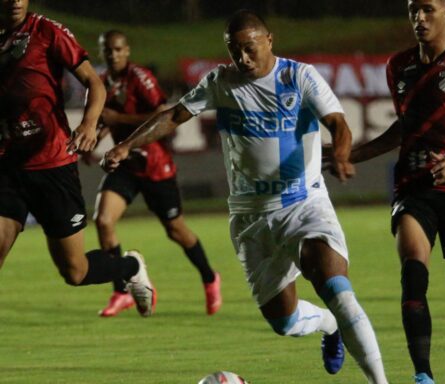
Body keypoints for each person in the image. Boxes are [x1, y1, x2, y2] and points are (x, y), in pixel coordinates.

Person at [103, 10, 389, 383]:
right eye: (234, 51)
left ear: (269, 40)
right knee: (284, 322)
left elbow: (337, 122)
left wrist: (341, 152)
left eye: (249, 48)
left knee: (337, 288)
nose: (243, 59)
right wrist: (126, 145)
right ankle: (328, 324)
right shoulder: (221, 82)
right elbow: (174, 116)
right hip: (251, 217)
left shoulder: (298, 76)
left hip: (303, 204)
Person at [346, 1, 445, 383]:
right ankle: (423, 376)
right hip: (415, 187)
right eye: (412, 10)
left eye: (428, 9)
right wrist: (355, 154)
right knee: (413, 275)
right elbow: (405, 128)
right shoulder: (398, 66)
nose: (419, 19)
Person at [0, 0, 155, 317]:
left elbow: (94, 82)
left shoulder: (47, 31)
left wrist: (87, 124)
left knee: (75, 271)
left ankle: (130, 265)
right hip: (7, 166)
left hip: (52, 164)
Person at [89, 30, 221, 317]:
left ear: (127, 50)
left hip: (155, 165)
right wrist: (95, 141)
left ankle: (210, 277)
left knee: (177, 231)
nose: (113, 54)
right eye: (107, 50)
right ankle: (121, 291)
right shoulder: (103, 83)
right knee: (102, 220)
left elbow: (162, 112)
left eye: (118, 49)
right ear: (102, 53)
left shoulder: (140, 78)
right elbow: (106, 120)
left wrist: (117, 120)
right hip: (126, 165)